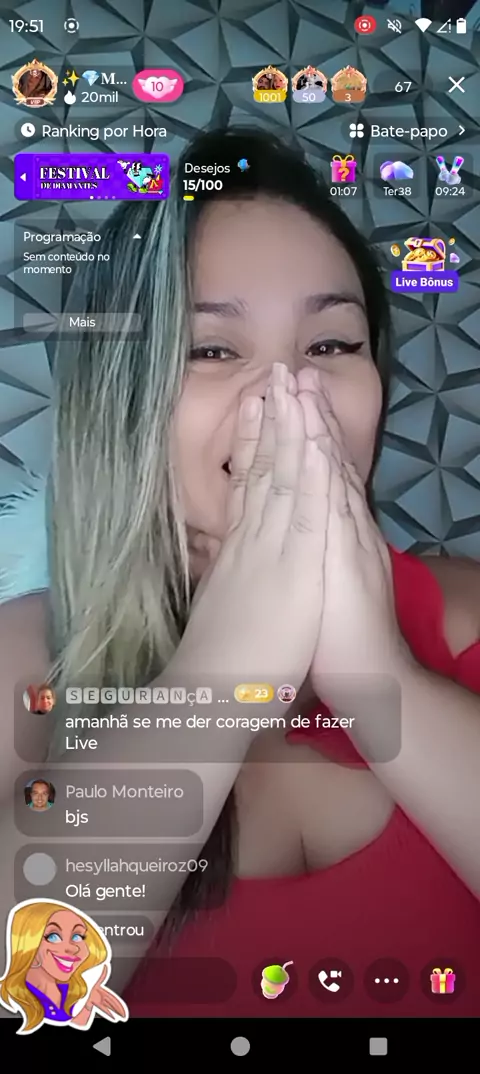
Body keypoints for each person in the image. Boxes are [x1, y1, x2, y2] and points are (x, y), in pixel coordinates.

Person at [0, 128, 479, 1019]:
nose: (287, 390)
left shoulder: (467, 614)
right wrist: (228, 668)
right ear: (122, 396)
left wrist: (381, 678)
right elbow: (23, 997)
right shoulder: (24, 667)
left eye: (332, 345)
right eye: (212, 350)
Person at [0, 899, 128, 1033]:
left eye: (78, 936)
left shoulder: (74, 990)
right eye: (53, 936)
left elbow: (76, 1026)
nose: (72, 948)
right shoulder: (13, 996)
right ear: (27, 943)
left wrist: (88, 1003)